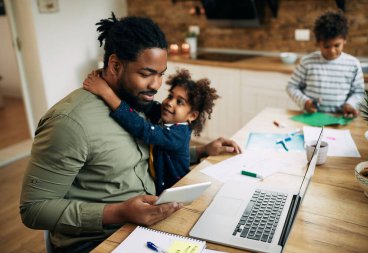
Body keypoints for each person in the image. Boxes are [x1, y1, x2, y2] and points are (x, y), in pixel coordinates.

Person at [19, 13, 240, 253]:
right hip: (98, 241)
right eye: (146, 74)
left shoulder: (140, 102)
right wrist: (120, 211)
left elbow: (156, 151)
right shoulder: (70, 123)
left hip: (147, 226)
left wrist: (202, 151)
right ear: (115, 65)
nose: (156, 86)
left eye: (161, 74)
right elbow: (33, 209)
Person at [83, 68, 220, 194]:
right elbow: (146, 105)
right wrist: (111, 79)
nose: (169, 103)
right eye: (170, 96)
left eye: (180, 102)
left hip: (174, 190)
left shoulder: (179, 134)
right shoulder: (166, 115)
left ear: (192, 116)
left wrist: (106, 93)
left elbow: (144, 129)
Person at [286, 10, 365, 117]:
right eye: (326, 46)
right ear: (318, 43)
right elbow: (291, 86)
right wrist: (305, 102)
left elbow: (359, 92)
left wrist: (350, 104)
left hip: (340, 118)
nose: (332, 50)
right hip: (311, 118)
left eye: (337, 45)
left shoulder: (353, 64)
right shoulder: (307, 62)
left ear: (344, 40)